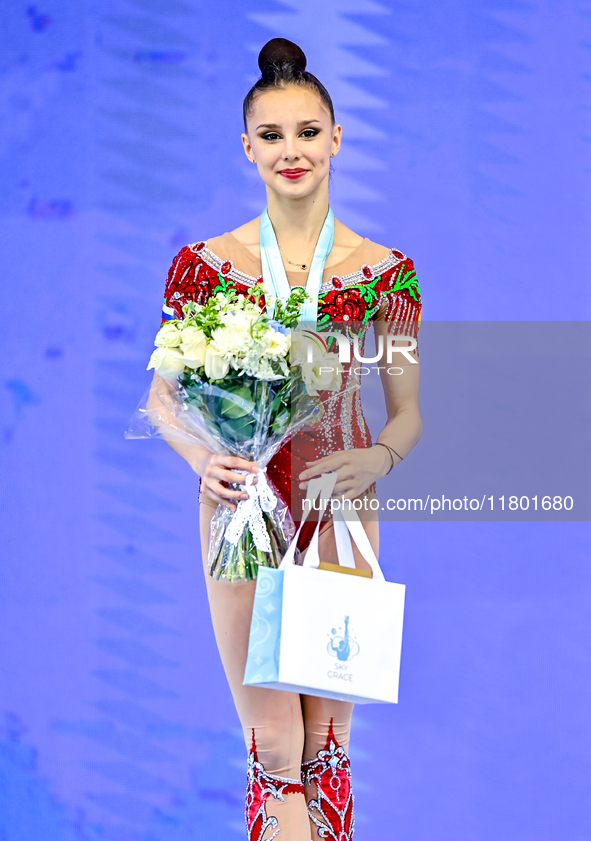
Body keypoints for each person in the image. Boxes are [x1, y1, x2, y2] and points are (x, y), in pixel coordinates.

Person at [148, 37, 422, 841]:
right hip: (240, 513)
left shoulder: (385, 273)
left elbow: (407, 412)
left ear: (335, 138)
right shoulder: (203, 268)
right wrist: (206, 460)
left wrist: (377, 457)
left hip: (339, 512)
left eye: (307, 132)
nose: (291, 151)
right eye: (271, 135)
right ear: (247, 148)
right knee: (275, 748)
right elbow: (161, 399)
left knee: (327, 749)